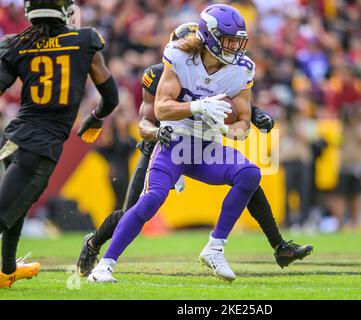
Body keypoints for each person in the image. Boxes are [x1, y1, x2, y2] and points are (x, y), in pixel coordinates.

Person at [88, 5, 312, 284]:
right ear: (210, 37)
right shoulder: (178, 58)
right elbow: (160, 110)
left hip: (205, 145)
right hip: (173, 142)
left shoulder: (241, 70)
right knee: (150, 200)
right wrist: (197, 106)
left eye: (237, 40)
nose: (235, 46)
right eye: (229, 39)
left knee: (250, 173)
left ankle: (215, 247)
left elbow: (243, 125)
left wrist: (226, 128)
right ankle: (104, 264)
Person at [0, 0, 119, 288]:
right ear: (64, 10)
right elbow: (111, 98)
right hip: (40, 145)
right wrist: (95, 117)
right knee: (6, 212)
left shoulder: (16, 43)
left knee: (18, 205)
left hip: (13, 138)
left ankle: (5, 272)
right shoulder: (84, 40)